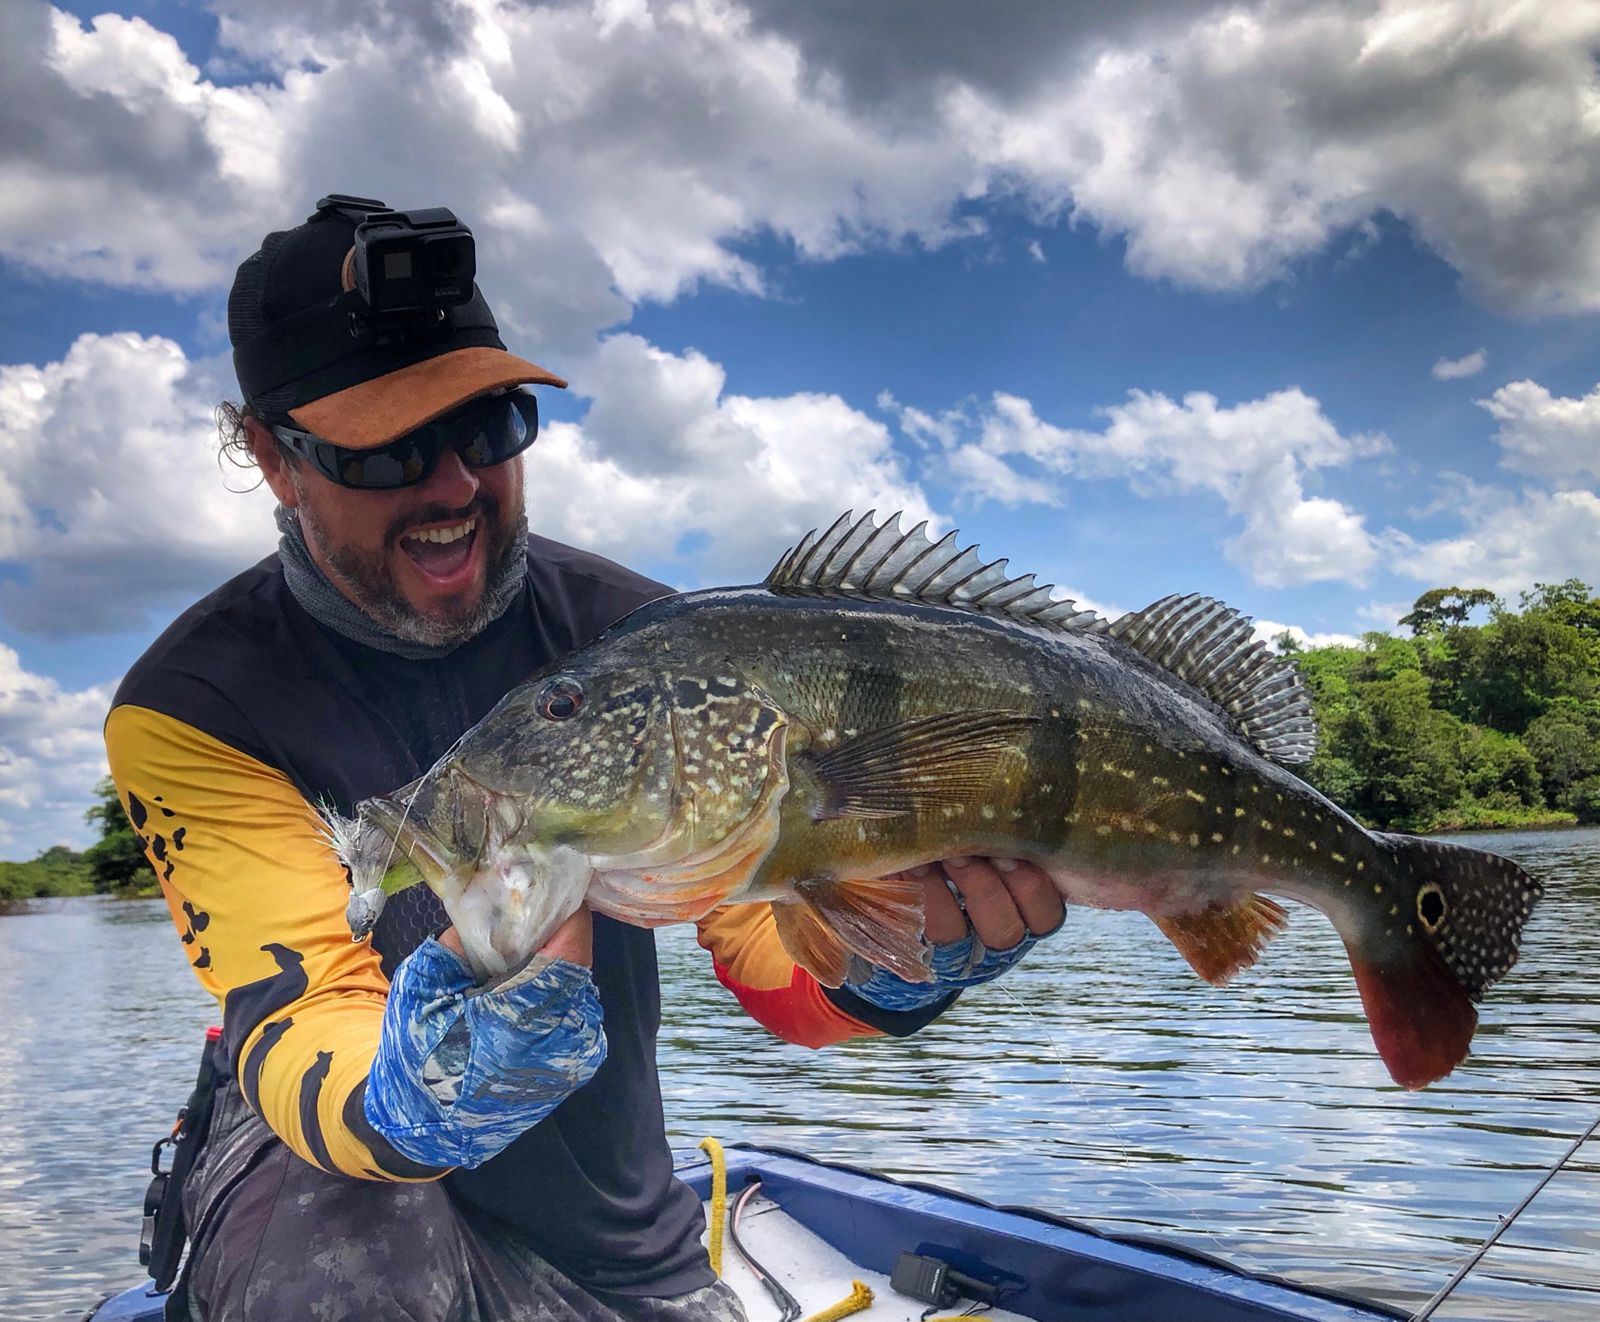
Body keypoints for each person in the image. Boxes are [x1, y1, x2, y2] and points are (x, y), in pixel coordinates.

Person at [104, 196, 1065, 1322]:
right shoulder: (198, 706)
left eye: (489, 425)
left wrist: (898, 950)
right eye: (390, 450)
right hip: (321, 1207)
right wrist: (428, 1091)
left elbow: (771, 954)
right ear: (273, 456)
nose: (454, 485)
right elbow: (299, 1016)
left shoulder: (649, 640)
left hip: (616, 1235)